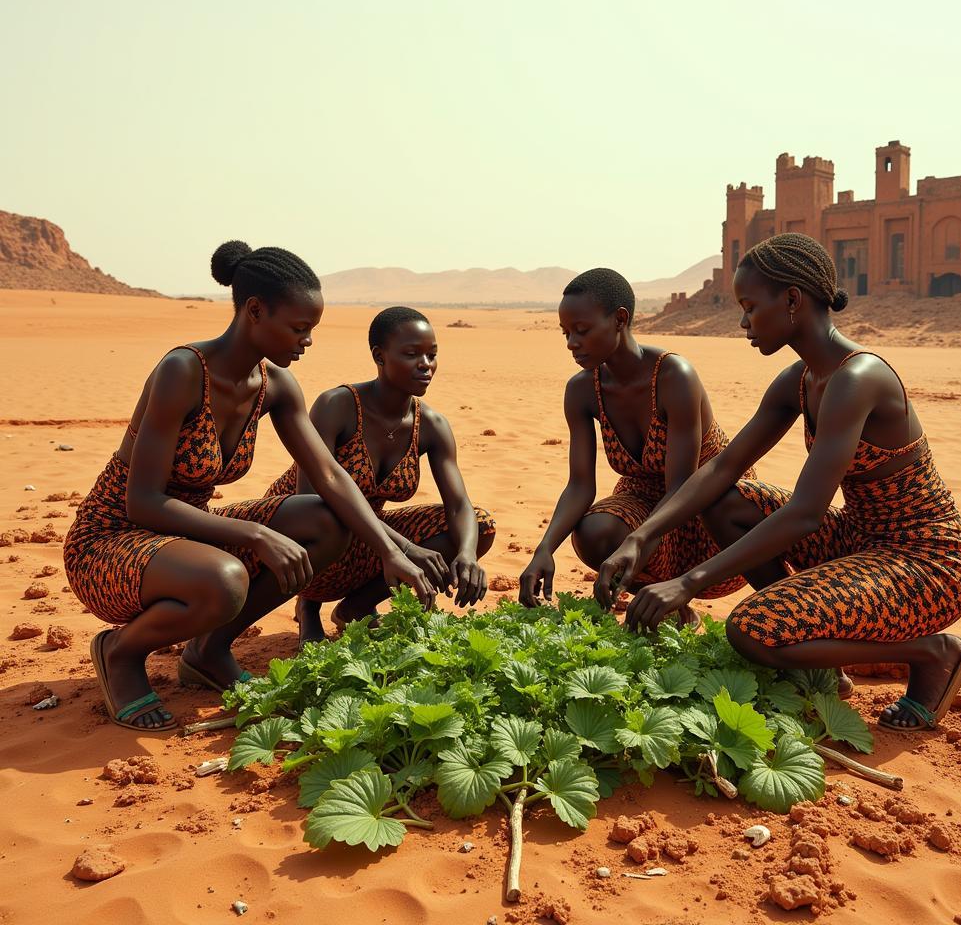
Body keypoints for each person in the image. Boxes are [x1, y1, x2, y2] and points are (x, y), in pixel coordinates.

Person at [595, 233, 961, 731]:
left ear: (793, 300)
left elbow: (805, 513)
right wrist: (639, 537)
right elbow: (721, 469)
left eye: (751, 307)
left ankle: (932, 653)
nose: (743, 322)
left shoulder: (857, 378)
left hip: (926, 560)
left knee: (752, 630)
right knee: (728, 502)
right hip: (858, 538)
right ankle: (816, 651)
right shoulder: (800, 378)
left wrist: (688, 582)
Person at [63, 241, 431, 731]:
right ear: (255, 312)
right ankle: (120, 653)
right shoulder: (183, 370)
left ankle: (209, 650)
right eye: (300, 328)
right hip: (110, 540)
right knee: (225, 578)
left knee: (325, 520)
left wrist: (390, 550)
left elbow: (328, 476)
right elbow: (143, 501)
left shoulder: (275, 384)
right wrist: (255, 535)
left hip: (187, 534)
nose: (307, 341)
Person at [518, 267, 753, 621]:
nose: (571, 343)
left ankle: (672, 598)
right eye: (566, 333)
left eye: (582, 331)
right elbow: (580, 484)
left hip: (710, 510)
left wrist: (637, 540)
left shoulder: (674, 376)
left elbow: (680, 486)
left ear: (619, 319)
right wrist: (544, 549)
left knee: (642, 533)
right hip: (643, 502)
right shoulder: (582, 390)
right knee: (594, 531)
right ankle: (665, 606)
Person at [267, 306, 496, 645]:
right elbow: (314, 498)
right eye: (411, 354)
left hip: (369, 530)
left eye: (432, 355)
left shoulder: (431, 425)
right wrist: (404, 547)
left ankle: (355, 607)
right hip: (305, 525)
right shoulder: (337, 406)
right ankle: (309, 606)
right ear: (379, 355)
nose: (426, 364)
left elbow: (459, 504)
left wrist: (466, 552)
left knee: (478, 524)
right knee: (324, 520)